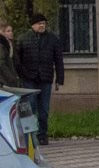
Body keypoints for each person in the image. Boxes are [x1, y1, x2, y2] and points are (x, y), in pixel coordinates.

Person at [14, 13, 64, 145]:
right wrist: (21, 75)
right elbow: (17, 60)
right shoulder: (23, 39)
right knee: (30, 107)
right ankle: (29, 135)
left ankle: (42, 134)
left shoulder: (52, 39)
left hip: (45, 78)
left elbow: (58, 59)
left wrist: (59, 78)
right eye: (39, 23)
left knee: (44, 109)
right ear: (33, 25)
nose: (42, 26)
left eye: (44, 23)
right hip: (29, 78)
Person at [0, 22, 20, 87]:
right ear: (1, 32)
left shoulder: (10, 44)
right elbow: (1, 64)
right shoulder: (1, 45)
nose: (11, 33)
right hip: (4, 80)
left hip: (10, 78)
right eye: (8, 31)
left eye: (11, 31)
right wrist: (11, 78)